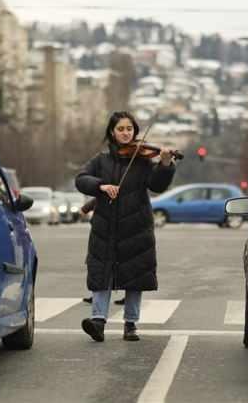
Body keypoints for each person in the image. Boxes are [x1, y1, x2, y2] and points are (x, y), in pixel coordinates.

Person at [75, 111, 176, 342]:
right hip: (105, 226)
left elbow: (157, 185)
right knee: (101, 271)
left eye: (129, 129)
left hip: (136, 224)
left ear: (135, 131)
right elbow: (81, 179)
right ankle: (98, 321)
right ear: (112, 132)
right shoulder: (100, 160)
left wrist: (165, 164)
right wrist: (101, 186)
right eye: (121, 129)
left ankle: (131, 324)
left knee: (135, 273)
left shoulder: (143, 160)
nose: (125, 133)